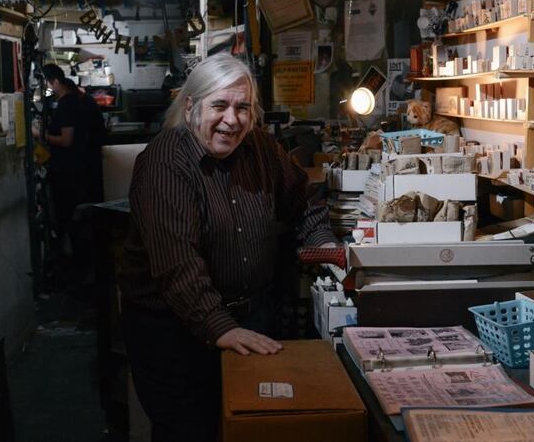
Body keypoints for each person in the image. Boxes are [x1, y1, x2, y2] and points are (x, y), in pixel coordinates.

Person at [119, 54, 337, 442]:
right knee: (192, 432)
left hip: (251, 317)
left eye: (242, 108)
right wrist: (220, 326)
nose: (232, 120)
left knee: (249, 427)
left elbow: (302, 199)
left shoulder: (261, 148)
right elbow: (177, 265)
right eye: (219, 105)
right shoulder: (164, 163)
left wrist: (322, 243)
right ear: (190, 107)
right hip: (175, 336)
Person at [35, 64, 105, 283]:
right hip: (87, 170)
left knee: (73, 221)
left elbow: (66, 140)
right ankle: (89, 270)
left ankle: (80, 272)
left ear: (55, 82)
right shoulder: (80, 98)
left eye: (45, 85)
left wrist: (40, 134)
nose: (44, 90)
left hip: (70, 173)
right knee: (84, 220)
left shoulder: (67, 104)